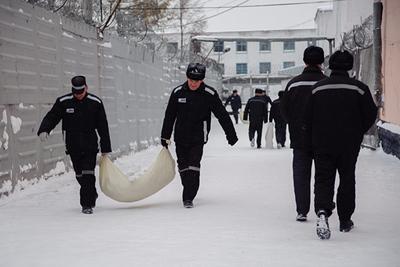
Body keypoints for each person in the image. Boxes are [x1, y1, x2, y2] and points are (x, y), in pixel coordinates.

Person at [306, 50, 377, 239]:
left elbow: (307, 117)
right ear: (350, 66)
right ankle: (345, 220)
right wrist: (357, 131)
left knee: (323, 178)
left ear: (330, 66)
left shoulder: (317, 89)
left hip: (322, 143)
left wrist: (313, 135)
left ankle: (322, 211)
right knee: (347, 178)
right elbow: (370, 114)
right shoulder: (359, 88)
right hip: (348, 143)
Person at [160, 63, 238, 208]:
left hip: (198, 137)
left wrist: (231, 135)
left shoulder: (209, 94)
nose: (193, 83)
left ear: (202, 80)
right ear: (187, 77)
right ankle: (188, 188)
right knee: (183, 166)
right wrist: (165, 136)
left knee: (194, 165)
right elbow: (169, 116)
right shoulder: (178, 92)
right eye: (191, 80)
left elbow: (222, 115)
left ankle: (188, 197)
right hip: (180, 136)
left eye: (197, 81)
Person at [37, 76, 111, 214]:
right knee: (80, 175)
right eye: (76, 92)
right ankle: (91, 193)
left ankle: (87, 205)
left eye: (81, 92)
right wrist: (44, 129)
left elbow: (103, 126)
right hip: (72, 145)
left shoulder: (95, 103)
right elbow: (52, 116)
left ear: (86, 88)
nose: (78, 95)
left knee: (88, 173)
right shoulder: (63, 102)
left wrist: (105, 147)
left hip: (90, 145)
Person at [280, 46, 327, 222]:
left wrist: (295, 124)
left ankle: (302, 210)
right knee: (323, 174)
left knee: (301, 174)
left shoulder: (294, 83)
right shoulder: (326, 82)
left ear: (305, 61)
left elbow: (284, 110)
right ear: (322, 62)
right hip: (323, 138)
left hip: (300, 138)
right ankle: (321, 208)